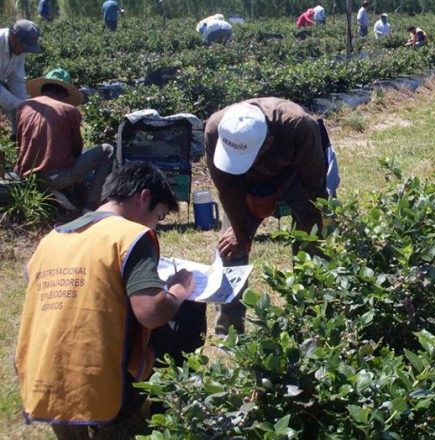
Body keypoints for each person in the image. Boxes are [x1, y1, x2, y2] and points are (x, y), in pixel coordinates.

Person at [16, 161, 206, 439]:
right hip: (105, 396)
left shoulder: (51, 239)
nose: (157, 226)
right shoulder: (131, 235)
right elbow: (151, 313)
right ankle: (161, 413)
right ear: (144, 198)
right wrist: (178, 289)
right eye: (160, 216)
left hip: (40, 391)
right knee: (186, 308)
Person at [205, 98, 328, 336]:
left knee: (312, 246)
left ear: (269, 143)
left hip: (297, 176)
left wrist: (312, 230)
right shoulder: (215, 129)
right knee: (230, 248)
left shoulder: (299, 127)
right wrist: (241, 232)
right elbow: (227, 188)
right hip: (243, 183)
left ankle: (310, 322)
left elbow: (314, 190)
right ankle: (229, 333)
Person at [15, 68, 114, 211]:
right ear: (63, 93)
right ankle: (91, 206)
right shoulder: (69, 110)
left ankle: (55, 189)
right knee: (107, 150)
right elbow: (76, 148)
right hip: (55, 178)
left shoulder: (24, 106)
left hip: (27, 176)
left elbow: (19, 141)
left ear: (43, 89)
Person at [0, 20, 40, 136]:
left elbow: (16, 80)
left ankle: (19, 136)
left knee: (17, 104)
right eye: (24, 47)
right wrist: (19, 104)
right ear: (13, 37)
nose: (25, 51)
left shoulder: (19, 50)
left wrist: (24, 105)